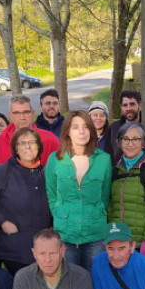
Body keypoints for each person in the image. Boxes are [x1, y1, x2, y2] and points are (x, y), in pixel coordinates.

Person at [45, 110, 112, 270]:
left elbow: (104, 195)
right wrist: (63, 217)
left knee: (95, 282)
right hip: (65, 235)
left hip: (95, 235)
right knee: (69, 284)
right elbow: (52, 194)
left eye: (85, 127)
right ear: (67, 131)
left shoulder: (104, 159)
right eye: (75, 127)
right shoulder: (55, 159)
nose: (81, 131)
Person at [0, 128, 52, 274]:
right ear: (16, 148)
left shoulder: (48, 172)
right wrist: (2, 222)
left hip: (42, 247)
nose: (28, 146)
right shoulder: (1, 172)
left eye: (32, 142)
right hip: (12, 246)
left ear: (39, 147)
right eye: (22, 143)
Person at [106, 122, 145, 263]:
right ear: (119, 142)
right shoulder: (116, 170)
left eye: (136, 139)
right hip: (120, 243)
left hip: (143, 244)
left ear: (144, 143)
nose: (130, 143)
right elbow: (111, 206)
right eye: (125, 139)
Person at [0, 95, 60, 178]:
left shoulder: (50, 139)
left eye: (26, 112)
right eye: (16, 113)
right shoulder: (0, 142)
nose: (22, 117)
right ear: (10, 116)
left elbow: (61, 173)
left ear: (33, 113)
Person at [107, 90, 142, 163]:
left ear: (140, 106)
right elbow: (108, 154)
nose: (128, 108)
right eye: (125, 105)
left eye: (132, 104)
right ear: (121, 108)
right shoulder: (114, 127)